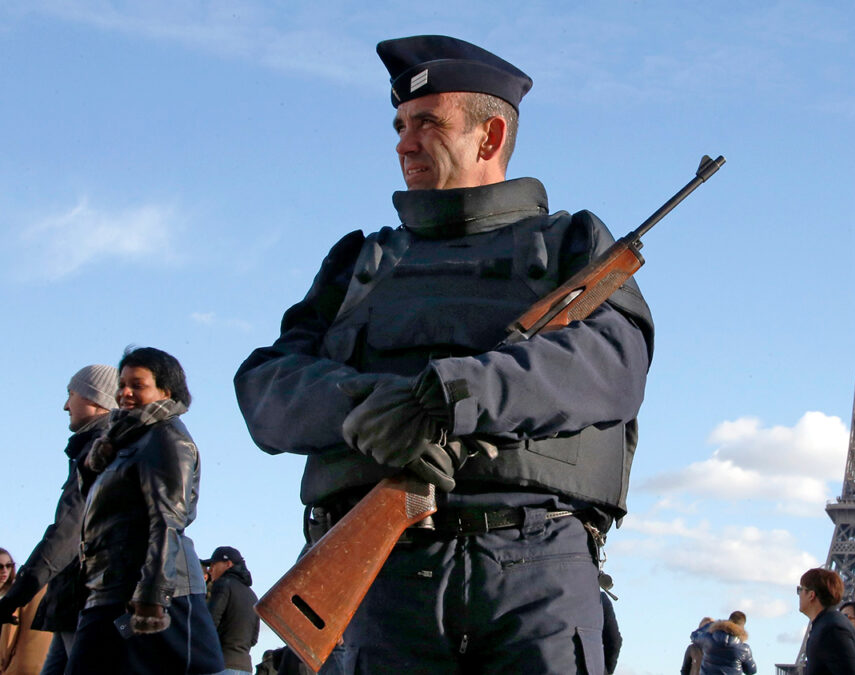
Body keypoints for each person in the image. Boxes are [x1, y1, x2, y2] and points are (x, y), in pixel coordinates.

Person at [234, 35, 653, 674]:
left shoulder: (574, 246)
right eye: (400, 125)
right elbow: (264, 387)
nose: (403, 142)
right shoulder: (357, 263)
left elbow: (610, 365)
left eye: (426, 122)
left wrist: (454, 394)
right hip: (379, 581)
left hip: (535, 573)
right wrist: (366, 411)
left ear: (489, 137)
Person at [65, 347, 223, 675]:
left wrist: (152, 599)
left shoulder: (166, 438)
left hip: (156, 593)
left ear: (166, 391)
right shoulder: (123, 441)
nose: (124, 392)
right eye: (122, 384)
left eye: (137, 385)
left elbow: (167, 520)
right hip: (109, 592)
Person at [0, 365, 118, 675]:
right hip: (75, 597)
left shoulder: (98, 452)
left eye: (71, 394)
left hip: (84, 596)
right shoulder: (98, 448)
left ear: (96, 399)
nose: (66, 405)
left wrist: (13, 597)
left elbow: (66, 534)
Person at [202, 547, 260, 675]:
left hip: (221, 664)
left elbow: (210, 624)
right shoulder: (252, 595)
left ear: (228, 564)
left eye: (213, 565)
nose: (210, 570)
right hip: (245, 667)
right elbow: (254, 639)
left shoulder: (223, 584)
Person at [798, 568, 855, 675]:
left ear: (811, 595)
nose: (799, 595)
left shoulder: (831, 629)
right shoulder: (829, 624)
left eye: (800, 590)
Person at [1, 548, 52, 675]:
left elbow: (9, 631)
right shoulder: (47, 587)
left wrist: (2, 663)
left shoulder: (15, 594)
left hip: (18, 663)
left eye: (9, 566)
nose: (5, 571)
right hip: (44, 664)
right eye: (0, 567)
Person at [689, 611, 757, 674]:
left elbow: (694, 635)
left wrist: (710, 624)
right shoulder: (744, 649)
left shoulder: (708, 639)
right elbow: (751, 671)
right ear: (742, 627)